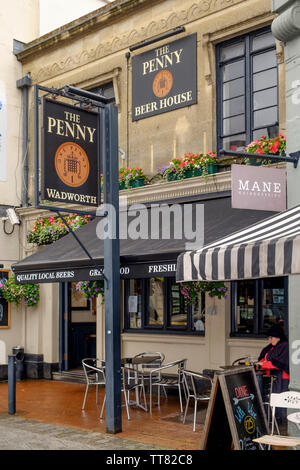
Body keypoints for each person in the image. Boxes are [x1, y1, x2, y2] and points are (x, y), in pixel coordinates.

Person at [256, 325, 289, 423]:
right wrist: (260, 363)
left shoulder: (285, 346)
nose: (270, 340)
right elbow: (265, 358)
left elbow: (278, 363)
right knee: (270, 396)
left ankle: (278, 419)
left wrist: (263, 364)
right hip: (271, 376)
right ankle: (270, 417)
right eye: (269, 337)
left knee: (279, 397)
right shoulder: (272, 347)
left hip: (282, 377)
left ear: (278, 337)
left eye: (271, 337)